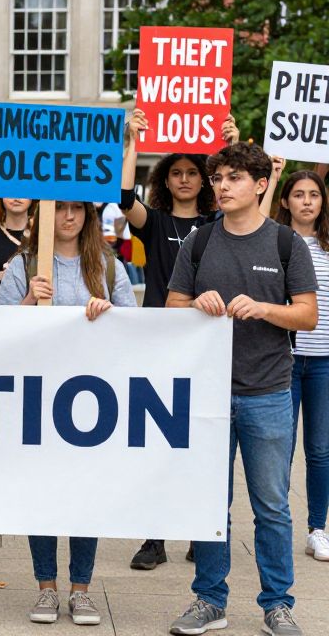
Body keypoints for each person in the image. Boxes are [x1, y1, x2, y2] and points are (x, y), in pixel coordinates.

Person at [165, 143, 316, 636]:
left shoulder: (286, 244)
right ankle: (210, 600)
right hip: (208, 394)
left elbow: (307, 315)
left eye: (233, 178)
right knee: (211, 504)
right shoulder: (200, 242)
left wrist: (266, 309)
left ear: (260, 184)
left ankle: (278, 604)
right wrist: (196, 304)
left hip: (269, 392)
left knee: (271, 505)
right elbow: (172, 306)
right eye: (219, 178)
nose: (222, 186)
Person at [0, 200, 135, 627]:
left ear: (90, 217)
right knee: (43, 493)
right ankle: (46, 588)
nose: (69, 217)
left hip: (93, 403)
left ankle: (81, 591)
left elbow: (138, 331)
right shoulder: (23, 264)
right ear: (44, 215)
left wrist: (109, 315)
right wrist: (25, 302)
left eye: (78, 209)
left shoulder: (108, 266)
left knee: (85, 494)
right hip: (39, 398)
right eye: (61, 209)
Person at [119, 108, 238, 570]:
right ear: (165, 181)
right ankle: (155, 537)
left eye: (193, 172)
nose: (185, 179)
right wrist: (133, 140)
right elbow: (123, 194)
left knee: (203, 444)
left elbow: (254, 202)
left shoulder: (219, 224)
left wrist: (230, 144)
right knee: (156, 442)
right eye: (177, 173)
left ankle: (199, 530)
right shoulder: (155, 223)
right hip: (159, 340)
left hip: (208, 344)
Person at [273, 170, 329, 563]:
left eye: (314, 194)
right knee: (281, 448)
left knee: (321, 450)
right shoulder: (277, 244)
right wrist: (274, 173)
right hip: (285, 361)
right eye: (298, 194)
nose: (307, 201)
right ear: (285, 201)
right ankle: (280, 525)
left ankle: (317, 529)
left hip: (324, 361)